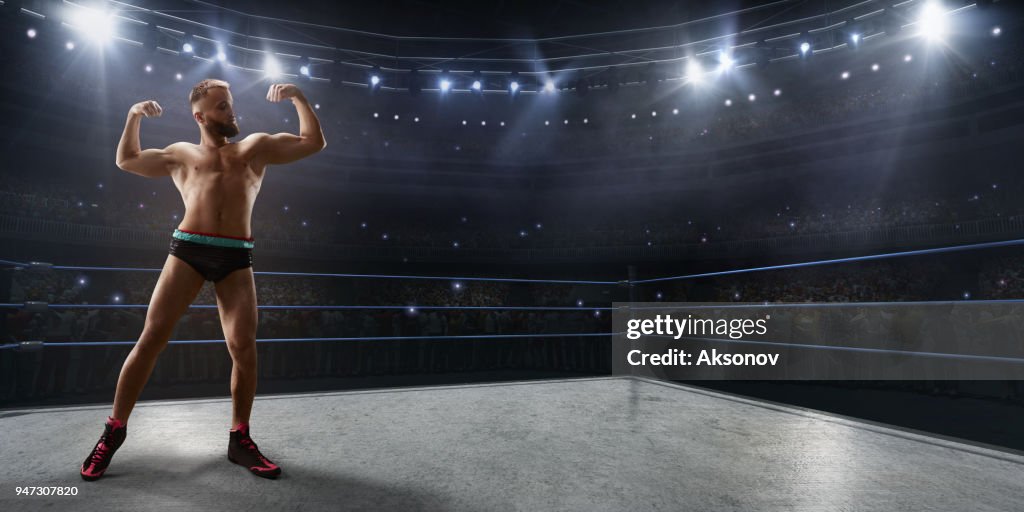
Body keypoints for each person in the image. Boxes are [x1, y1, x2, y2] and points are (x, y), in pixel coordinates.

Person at [80, 79, 326, 481]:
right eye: (222, 107)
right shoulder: (181, 153)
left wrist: (298, 97)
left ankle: (239, 438)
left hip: (236, 255)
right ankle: (113, 432)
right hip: (189, 250)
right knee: (150, 340)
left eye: (230, 105)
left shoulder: (255, 148)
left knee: (244, 347)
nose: (231, 113)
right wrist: (133, 115)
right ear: (200, 116)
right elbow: (127, 160)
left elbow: (313, 142)